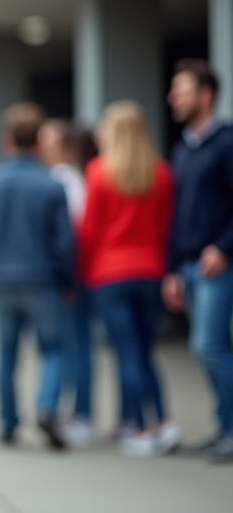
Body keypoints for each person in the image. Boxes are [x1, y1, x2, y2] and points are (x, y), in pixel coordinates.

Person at [0, 103, 74, 449]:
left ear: (6, 140)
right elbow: (64, 244)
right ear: (40, 141)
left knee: (7, 354)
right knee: (54, 349)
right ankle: (46, 407)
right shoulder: (52, 186)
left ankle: (8, 422)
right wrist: (67, 281)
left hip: (2, 282)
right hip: (43, 281)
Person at [78, 101, 180, 456]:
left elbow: (89, 232)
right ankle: (163, 422)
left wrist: (83, 273)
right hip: (151, 271)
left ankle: (139, 427)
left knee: (127, 353)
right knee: (145, 352)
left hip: (110, 275)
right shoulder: (162, 173)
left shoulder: (99, 172)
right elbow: (168, 229)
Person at [163, 59, 233, 461]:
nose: (173, 98)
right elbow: (177, 215)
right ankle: (224, 426)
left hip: (215, 264)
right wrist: (171, 268)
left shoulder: (225, 143)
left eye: (182, 91)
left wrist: (223, 247)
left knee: (209, 345)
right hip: (187, 266)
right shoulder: (182, 149)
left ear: (206, 95)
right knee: (205, 346)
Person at [39, 119, 94, 447]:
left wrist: (69, 281)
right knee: (73, 346)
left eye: (49, 141)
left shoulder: (66, 181)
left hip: (70, 281)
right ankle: (78, 413)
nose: (43, 146)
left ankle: (81, 415)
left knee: (75, 347)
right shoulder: (63, 180)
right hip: (68, 278)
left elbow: (71, 238)